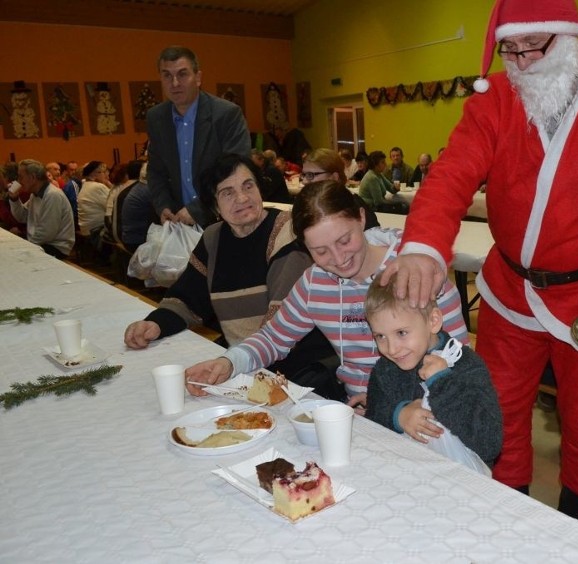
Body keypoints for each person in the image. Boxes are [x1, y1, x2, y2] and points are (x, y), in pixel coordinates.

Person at [380, 0, 578, 529]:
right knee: (498, 406)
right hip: (510, 289)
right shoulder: (495, 102)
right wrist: (422, 246)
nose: (521, 63)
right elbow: (452, 175)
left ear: (568, 38)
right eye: (510, 49)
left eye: (534, 46)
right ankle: (509, 513)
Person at [184, 180, 469, 410]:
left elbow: (461, 360)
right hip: (361, 415)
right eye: (320, 251)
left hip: (425, 412)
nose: (339, 259)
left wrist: (398, 406)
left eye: (345, 240)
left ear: (361, 218)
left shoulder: (415, 267)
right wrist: (229, 362)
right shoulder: (315, 283)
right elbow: (273, 338)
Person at [124, 154, 340, 395]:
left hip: (297, 368)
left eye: (249, 186)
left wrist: (233, 364)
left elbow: (279, 328)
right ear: (214, 206)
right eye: (227, 192)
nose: (242, 198)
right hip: (244, 361)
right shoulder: (214, 238)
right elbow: (188, 296)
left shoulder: (288, 234)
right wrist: (155, 323)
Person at [364, 272, 503, 468]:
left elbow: (489, 443)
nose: (392, 348)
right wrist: (398, 415)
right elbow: (372, 421)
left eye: (401, 333)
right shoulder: (385, 369)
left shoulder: (466, 366)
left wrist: (442, 382)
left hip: (461, 480)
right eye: (380, 336)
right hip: (404, 474)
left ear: (433, 321)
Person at [146, 45, 251, 228]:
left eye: (183, 74)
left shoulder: (226, 114)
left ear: (199, 78)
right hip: (179, 221)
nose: (175, 83)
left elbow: (236, 168)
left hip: (223, 217)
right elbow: (156, 171)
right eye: (167, 75)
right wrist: (163, 206)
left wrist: (198, 209)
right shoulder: (156, 118)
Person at [8, 159, 75, 258]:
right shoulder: (35, 195)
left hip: (55, 247)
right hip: (41, 244)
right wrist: (14, 199)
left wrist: (26, 247)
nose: (19, 181)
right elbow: (22, 217)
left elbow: (47, 232)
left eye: (21, 177)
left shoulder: (52, 195)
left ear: (33, 177)